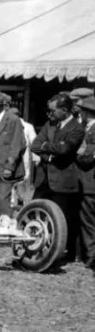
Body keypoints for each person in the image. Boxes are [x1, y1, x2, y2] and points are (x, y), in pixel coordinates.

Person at [31, 93, 84, 262]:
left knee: (62, 220)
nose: (49, 114)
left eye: (52, 110)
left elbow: (65, 150)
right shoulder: (50, 124)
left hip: (63, 182)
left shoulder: (77, 128)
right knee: (35, 213)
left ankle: (62, 254)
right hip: (43, 180)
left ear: (65, 110)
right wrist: (49, 154)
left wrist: (47, 146)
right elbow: (35, 145)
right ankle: (35, 244)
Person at [0, 91, 26, 218]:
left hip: (5, 168)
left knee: (3, 200)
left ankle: (5, 228)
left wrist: (9, 166)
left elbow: (18, 144)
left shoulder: (13, 120)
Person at [74, 97, 95, 270]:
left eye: (82, 110)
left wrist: (76, 153)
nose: (80, 112)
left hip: (89, 183)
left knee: (88, 221)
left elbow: (87, 157)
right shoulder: (88, 128)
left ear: (87, 112)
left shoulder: (92, 130)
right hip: (89, 182)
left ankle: (91, 257)